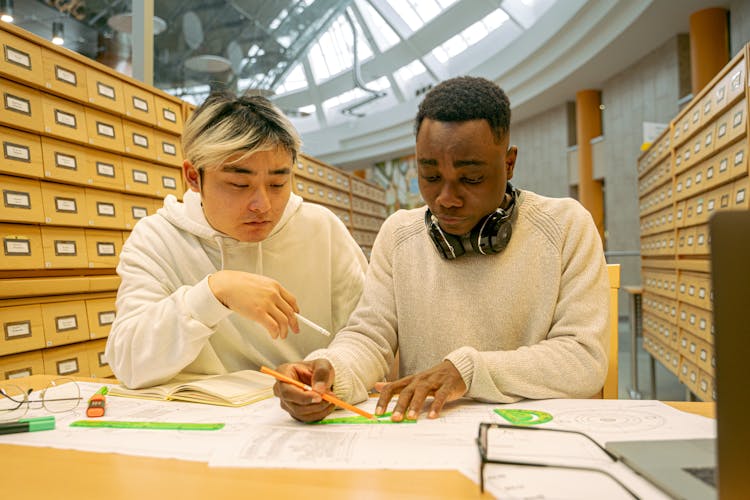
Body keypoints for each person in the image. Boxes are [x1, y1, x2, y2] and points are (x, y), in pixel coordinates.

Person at [273, 76, 610, 422]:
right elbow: (370, 338)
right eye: (430, 177)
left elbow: (584, 359)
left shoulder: (567, 226)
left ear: (508, 164)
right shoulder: (398, 234)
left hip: (539, 439)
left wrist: (465, 371)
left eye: (471, 179)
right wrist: (331, 372)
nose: (446, 199)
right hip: (429, 434)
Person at [105, 92, 368, 389]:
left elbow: (368, 335)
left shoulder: (322, 228)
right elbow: (128, 363)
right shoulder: (157, 238)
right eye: (239, 184)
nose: (263, 204)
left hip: (310, 417)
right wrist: (212, 294)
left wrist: (328, 373)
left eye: (278, 184)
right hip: (203, 424)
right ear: (193, 177)